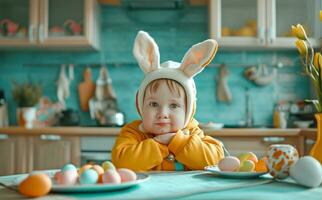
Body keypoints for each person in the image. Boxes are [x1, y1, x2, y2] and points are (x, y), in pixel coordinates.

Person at [111, 31, 224, 171]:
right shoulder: (134, 132)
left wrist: (177, 142)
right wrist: (158, 143)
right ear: (140, 106)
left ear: (189, 110)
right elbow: (122, 163)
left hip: (186, 192)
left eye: (174, 105)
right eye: (153, 104)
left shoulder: (193, 131)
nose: (162, 113)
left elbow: (215, 161)